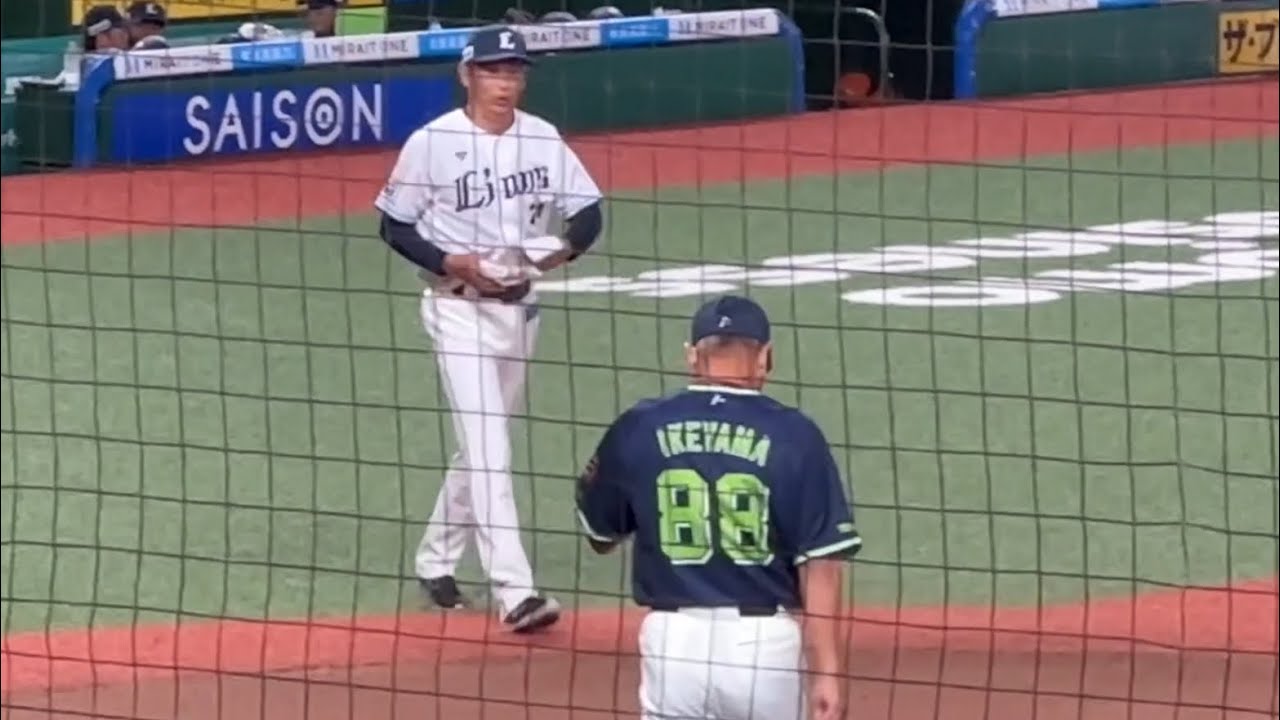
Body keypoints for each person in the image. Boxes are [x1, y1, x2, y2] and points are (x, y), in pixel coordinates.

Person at [373, 25, 604, 633]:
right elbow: (394, 225)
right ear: (467, 75)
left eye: (514, 72)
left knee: (482, 443)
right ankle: (516, 593)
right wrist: (448, 261)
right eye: (493, 71)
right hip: (456, 310)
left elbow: (588, 212)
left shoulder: (542, 137)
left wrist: (562, 252)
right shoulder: (432, 142)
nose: (505, 82)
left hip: (520, 312)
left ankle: (436, 559)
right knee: (489, 448)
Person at [576, 295, 862, 720]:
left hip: (672, 643)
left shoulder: (639, 425)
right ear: (765, 358)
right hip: (762, 645)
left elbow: (601, 535)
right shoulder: (795, 434)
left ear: (692, 356)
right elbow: (821, 564)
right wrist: (828, 673)